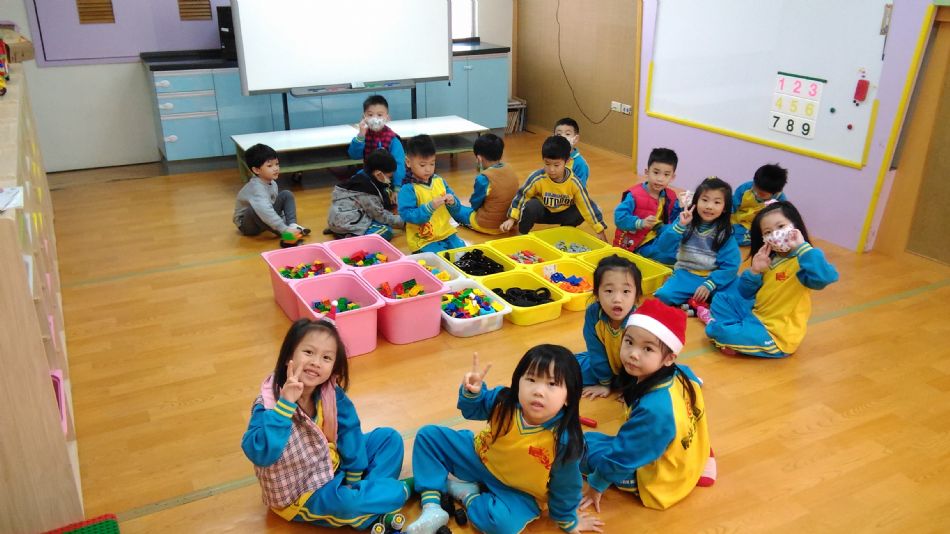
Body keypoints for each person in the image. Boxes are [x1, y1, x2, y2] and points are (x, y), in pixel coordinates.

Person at [405, 347, 604, 534]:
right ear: (518, 382)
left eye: (552, 384)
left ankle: (467, 494)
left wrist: (568, 521)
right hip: (479, 457)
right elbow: (473, 410)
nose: (538, 391)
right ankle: (432, 507)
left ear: (569, 396)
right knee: (428, 436)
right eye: (531, 379)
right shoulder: (504, 400)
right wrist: (473, 393)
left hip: (518, 490)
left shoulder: (564, 440)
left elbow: (566, 486)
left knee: (501, 524)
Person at [241, 319, 409, 529]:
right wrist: (285, 406)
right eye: (308, 352)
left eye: (326, 357)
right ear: (288, 357)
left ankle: (369, 496)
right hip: (302, 492)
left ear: (333, 366)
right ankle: (392, 494)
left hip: (331, 464)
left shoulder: (329, 391)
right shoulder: (269, 404)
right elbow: (261, 453)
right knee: (351, 503)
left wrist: (354, 474)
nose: (316, 362)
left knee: (389, 439)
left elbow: (349, 430)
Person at [581, 299, 715, 513]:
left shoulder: (654, 409)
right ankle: (702, 460)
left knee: (580, 447)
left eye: (647, 349)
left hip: (659, 481)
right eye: (629, 342)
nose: (633, 353)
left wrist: (596, 485)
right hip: (688, 456)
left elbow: (624, 457)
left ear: (669, 358)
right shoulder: (682, 374)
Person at [705, 201, 839, 358]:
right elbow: (745, 293)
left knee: (718, 332)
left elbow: (826, 277)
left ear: (795, 226)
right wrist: (755, 271)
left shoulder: (805, 260)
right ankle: (739, 332)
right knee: (721, 299)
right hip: (755, 314)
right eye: (768, 232)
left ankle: (734, 333)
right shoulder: (769, 258)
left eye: (781, 227)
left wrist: (803, 248)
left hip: (776, 333)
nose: (775, 234)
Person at [653, 177, 740, 313]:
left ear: (724, 208)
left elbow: (731, 265)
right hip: (686, 274)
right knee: (663, 296)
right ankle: (700, 302)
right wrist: (680, 226)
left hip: (714, 278)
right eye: (704, 200)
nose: (709, 206)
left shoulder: (725, 233)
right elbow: (663, 247)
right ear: (696, 201)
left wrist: (710, 284)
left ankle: (695, 302)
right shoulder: (684, 221)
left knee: (737, 299)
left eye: (717, 202)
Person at [500, 136, 607, 240]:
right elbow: (522, 196)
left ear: (567, 161)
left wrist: (599, 230)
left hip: (563, 214)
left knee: (580, 211)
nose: (551, 170)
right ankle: (522, 234)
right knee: (530, 206)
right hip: (543, 212)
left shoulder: (574, 182)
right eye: (547, 164)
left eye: (556, 165)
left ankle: (564, 232)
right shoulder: (537, 177)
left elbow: (587, 205)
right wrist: (511, 219)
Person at [576, 255, 643, 399]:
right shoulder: (594, 313)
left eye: (626, 291)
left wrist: (633, 388)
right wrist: (604, 383)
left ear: (636, 295)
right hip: (606, 364)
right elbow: (596, 350)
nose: (617, 299)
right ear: (597, 293)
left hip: (636, 371)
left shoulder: (639, 321)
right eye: (609, 291)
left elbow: (644, 360)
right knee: (564, 371)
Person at [397, 134, 469, 253]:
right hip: (423, 240)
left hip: (445, 232)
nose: (428, 169)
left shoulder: (439, 181)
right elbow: (407, 215)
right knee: (438, 258)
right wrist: (429, 207)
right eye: (422, 165)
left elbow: (456, 209)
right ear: (408, 162)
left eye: (432, 163)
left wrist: (452, 202)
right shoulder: (408, 188)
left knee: (462, 252)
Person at [612, 148, 681, 263]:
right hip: (636, 243)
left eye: (666, 175)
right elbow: (619, 218)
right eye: (656, 172)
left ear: (672, 177)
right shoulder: (634, 195)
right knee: (669, 256)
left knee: (681, 247)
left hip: (657, 235)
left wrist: (682, 207)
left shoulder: (670, 195)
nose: (660, 179)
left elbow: (673, 219)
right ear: (647, 172)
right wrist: (640, 223)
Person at [233, 143, 309, 248]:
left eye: (277, 164)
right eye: (270, 166)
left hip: (262, 217)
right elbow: (265, 211)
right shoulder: (256, 188)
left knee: (286, 194)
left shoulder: (272, 183)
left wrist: (283, 221)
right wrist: (283, 229)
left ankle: (293, 226)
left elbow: (271, 205)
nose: (276, 168)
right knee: (255, 210)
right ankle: (287, 236)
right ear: (256, 170)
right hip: (247, 225)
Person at [327, 149, 404, 241]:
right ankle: (350, 236)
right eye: (389, 177)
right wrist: (404, 222)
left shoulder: (362, 178)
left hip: (338, 220)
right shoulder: (367, 191)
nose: (390, 180)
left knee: (381, 222)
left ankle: (342, 231)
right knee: (386, 231)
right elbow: (380, 216)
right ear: (378, 174)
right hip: (346, 225)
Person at [464, 133, 519, 235]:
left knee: (459, 210)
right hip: (510, 223)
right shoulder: (510, 168)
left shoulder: (483, 178)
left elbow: (475, 204)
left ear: (479, 158)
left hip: (489, 226)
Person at [347, 95, 406, 188]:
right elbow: (354, 155)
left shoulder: (392, 139)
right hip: (369, 175)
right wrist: (361, 135)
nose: (375, 119)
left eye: (379, 115)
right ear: (364, 117)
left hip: (387, 178)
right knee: (353, 182)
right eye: (370, 115)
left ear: (387, 118)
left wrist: (397, 186)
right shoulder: (364, 135)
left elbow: (399, 164)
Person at [732, 164, 788, 246]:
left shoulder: (780, 200)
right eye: (755, 188)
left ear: (776, 192)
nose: (756, 193)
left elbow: (780, 219)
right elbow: (733, 204)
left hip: (757, 226)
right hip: (739, 219)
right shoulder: (745, 188)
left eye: (762, 194)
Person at [554, 117, 590, 186]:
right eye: (558, 134)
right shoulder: (551, 156)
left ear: (576, 139)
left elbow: (580, 188)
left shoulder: (580, 163)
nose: (562, 137)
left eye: (567, 134)